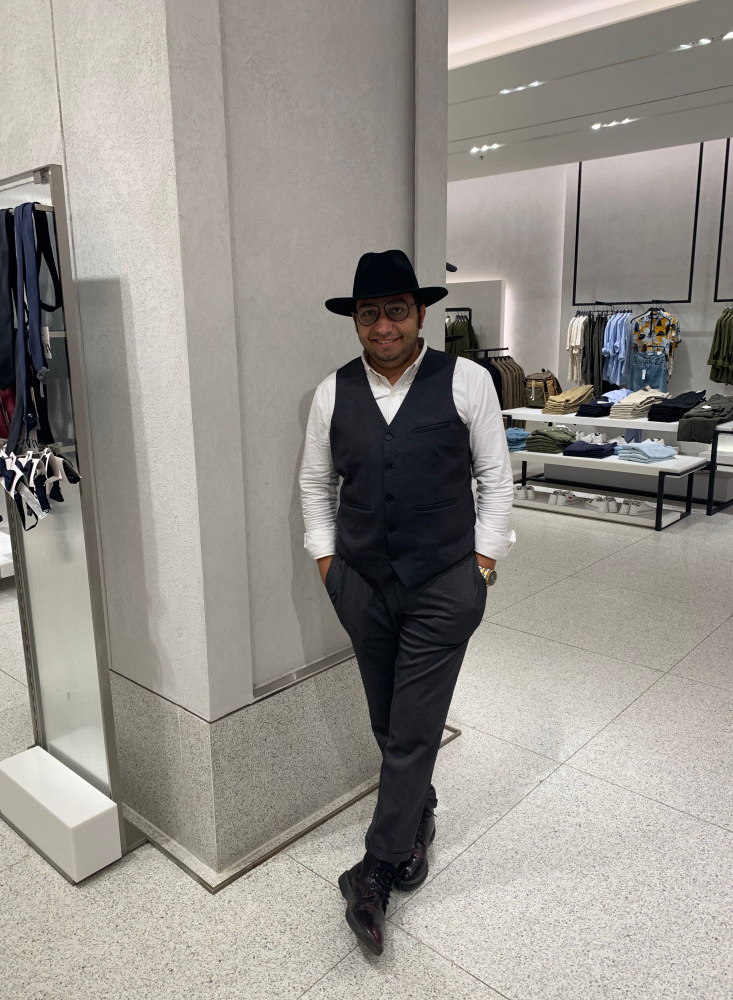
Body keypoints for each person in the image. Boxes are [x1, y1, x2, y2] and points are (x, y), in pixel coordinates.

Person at [299, 249, 514, 955]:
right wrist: (328, 567)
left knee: (415, 729)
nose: (383, 325)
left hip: (444, 583)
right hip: (361, 584)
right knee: (387, 719)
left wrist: (482, 567)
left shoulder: (468, 381)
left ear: (420, 313)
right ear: (355, 321)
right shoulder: (332, 393)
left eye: (396, 310)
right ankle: (419, 812)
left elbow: (495, 478)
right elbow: (315, 486)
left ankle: (374, 870)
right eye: (370, 313)